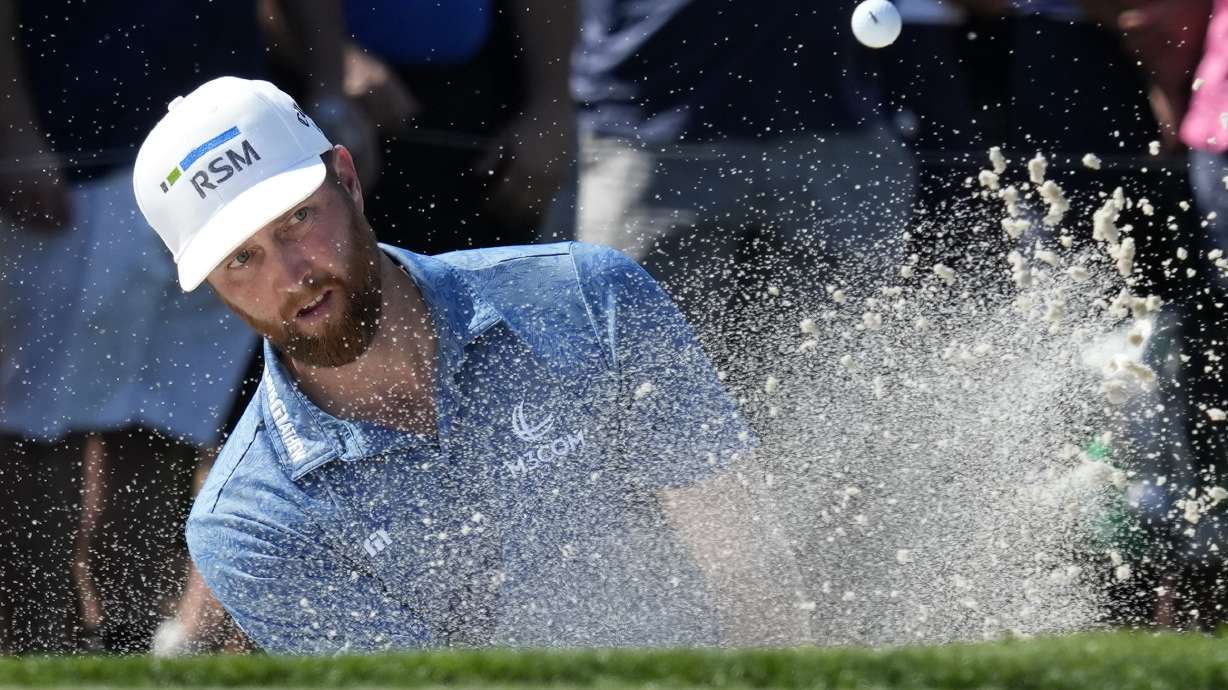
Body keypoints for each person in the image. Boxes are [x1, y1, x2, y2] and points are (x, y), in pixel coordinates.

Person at [132, 76, 807, 653]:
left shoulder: (587, 296)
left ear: (347, 178)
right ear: (207, 282)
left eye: (299, 219)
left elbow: (753, 579)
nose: (291, 275)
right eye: (241, 259)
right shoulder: (247, 522)